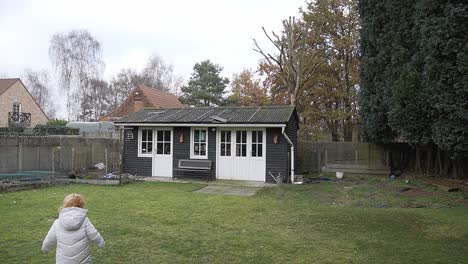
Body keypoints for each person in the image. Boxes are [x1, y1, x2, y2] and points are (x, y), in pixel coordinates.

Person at [42, 193, 105, 264]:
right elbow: (94, 234)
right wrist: (101, 243)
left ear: (65, 205)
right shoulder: (85, 221)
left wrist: (45, 248)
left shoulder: (57, 223)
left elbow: (50, 238)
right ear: (81, 205)